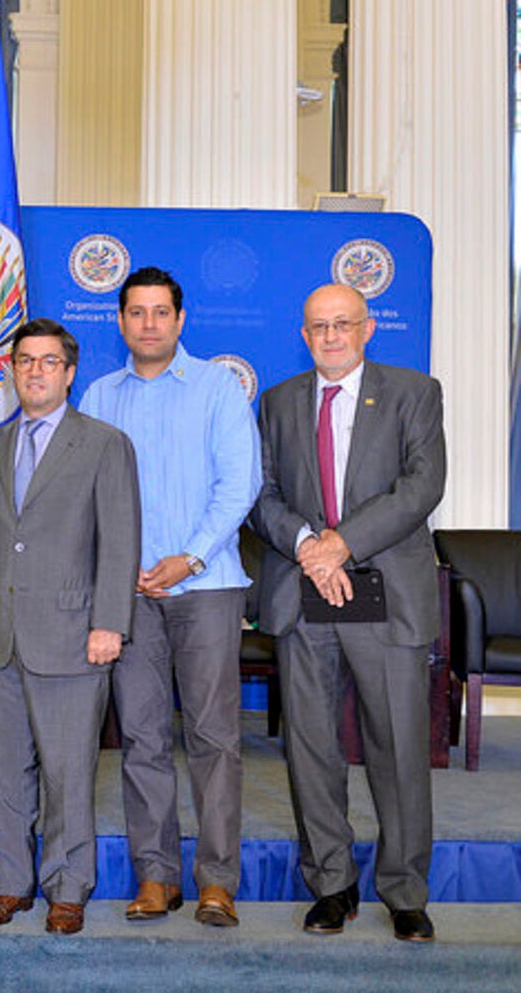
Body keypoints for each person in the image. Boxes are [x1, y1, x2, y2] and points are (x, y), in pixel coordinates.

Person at [252, 282, 444, 942]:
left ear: (367, 329)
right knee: (310, 749)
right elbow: (264, 494)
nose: (330, 336)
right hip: (304, 594)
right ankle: (331, 884)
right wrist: (309, 546)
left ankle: (405, 891)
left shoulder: (414, 393)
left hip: (383, 591)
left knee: (397, 748)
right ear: (303, 335)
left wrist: (342, 543)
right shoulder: (277, 403)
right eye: (318, 327)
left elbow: (421, 485)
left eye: (343, 324)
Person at [78, 266, 260, 927]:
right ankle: (157, 877)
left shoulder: (217, 388)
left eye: (161, 312)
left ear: (180, 321)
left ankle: (216, 881)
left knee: (214, 739)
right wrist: (116, 566)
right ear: (121, 322)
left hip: (205, 587)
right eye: (137, 312)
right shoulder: (99, 395)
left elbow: (239, 484)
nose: (149, 323)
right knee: (144, 740)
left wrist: (190, 556)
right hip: (129, 595)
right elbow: (87, 496)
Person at [0, 319, 139, 935]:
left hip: (72, 635)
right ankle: (13, 883)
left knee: (68, 771)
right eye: (25, 361)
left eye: (48, 362)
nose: (35, 371)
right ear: (12, 370)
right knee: (3, 769)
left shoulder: (103, 443)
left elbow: (120, 541)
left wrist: (110, 623)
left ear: (69, 372)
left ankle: (69, 886)